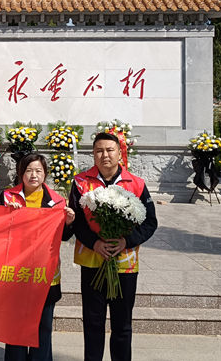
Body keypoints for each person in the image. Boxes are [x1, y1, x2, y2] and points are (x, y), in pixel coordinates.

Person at [70, 132, 157, 361]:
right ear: (93, 154)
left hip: (124, 263)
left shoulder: (136, 184)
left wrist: (126, 242)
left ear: (120, 153)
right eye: (99, 150)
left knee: (122, 325)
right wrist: (95, 243)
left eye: (110, 150)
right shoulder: (80, 183)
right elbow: (76, 222)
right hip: (92, 261)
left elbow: (150, 222)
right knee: (93, 323)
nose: (104, 155)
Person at [0, 153, 75, 361]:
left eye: (38, 171)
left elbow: (63, 237)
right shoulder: (6, 198)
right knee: (15, 327)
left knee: (43, 327)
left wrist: (68, 223)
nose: (33, 175)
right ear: (21, 174)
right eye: (29, 171)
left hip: (45, 275)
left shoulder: (57, 202)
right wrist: (5, 216)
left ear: (45, 174)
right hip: (15, 273)